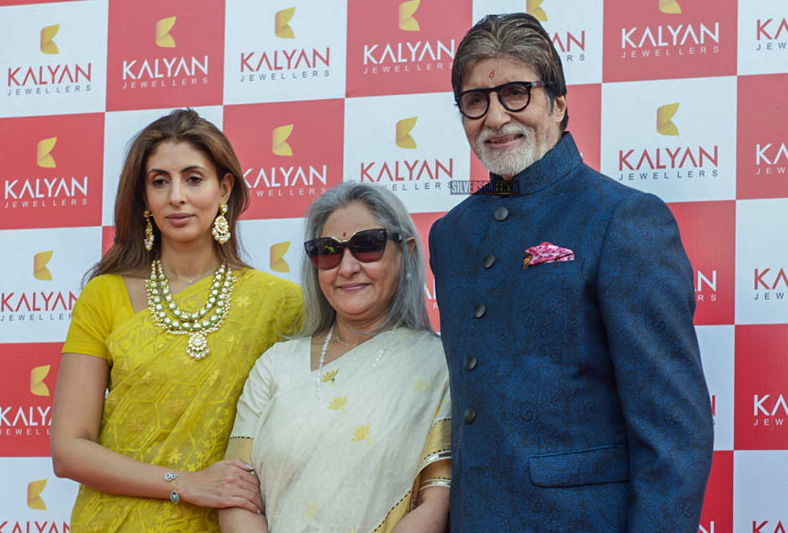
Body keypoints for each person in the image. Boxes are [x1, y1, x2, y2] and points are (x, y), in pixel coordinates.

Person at [429, 13, 714, 533]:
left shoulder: (622, 218)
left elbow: (675, 433)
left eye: (516, 93)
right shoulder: (452, 234)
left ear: (558, 103)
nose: (495, 118)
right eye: (476, 101)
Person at [50, 109, 303, 533]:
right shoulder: (105, 295)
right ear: (144, 197)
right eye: (159, 181)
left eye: (193, 178)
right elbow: (69, 449)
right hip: (113, 521)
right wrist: (185, 484)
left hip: (224, 521)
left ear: (224, 188)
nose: (176, 197)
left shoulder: (279, 304)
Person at [219, 182, 451, 533]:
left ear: (406, 251)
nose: (347, 267)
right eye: (328, 251)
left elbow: (436, 503)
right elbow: (236, 492)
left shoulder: (439, 365)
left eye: (367, 246)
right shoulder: (275, 365)